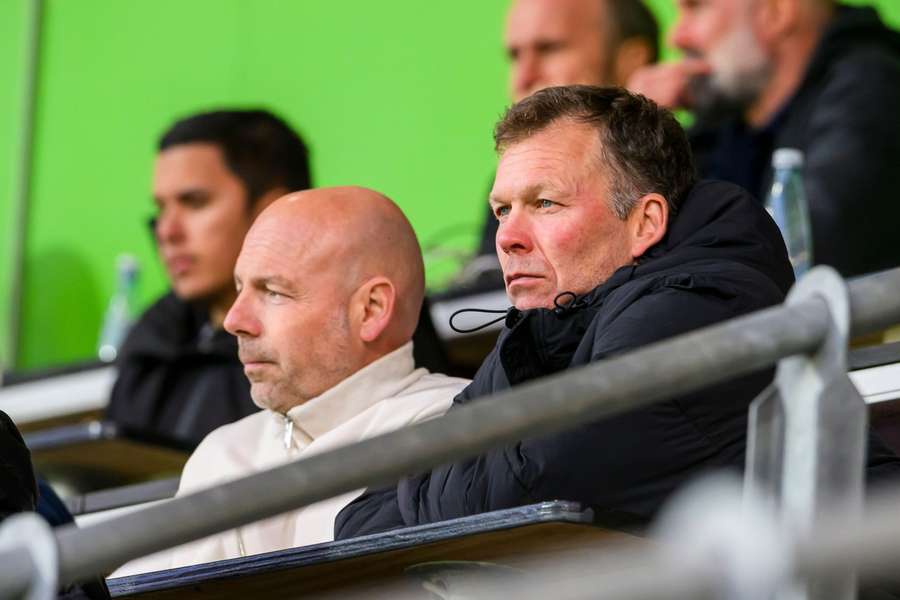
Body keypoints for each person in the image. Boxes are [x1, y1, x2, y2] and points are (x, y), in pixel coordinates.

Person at [335, 85, 900, 539]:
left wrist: (425, 486)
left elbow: (538, 484)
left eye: (544, 203)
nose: (507, 237)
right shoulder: (541, 329)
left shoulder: (698, 305)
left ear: (645, 223)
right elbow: (358, 520)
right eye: (503, 210)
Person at [113, 187, 469, 575]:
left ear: (371, 309)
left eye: (273, 292)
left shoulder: (463, 433)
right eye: (239, 288)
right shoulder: (222, 452)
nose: (234, 321)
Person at [627, 0, 900, 277]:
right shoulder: (728, 120)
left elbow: (794, 253)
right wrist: (635, 142)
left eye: (696, 7)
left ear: (776, 12)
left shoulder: (874, 92)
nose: (676, 37)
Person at [105, 110, 312, 449]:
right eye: (161, 209)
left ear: (272, 211)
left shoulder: (334, 339)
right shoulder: (151, 344)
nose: (166, 231)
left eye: (194, 203)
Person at [474, 0, 660, 262]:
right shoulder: (511, 186)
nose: (524, 77)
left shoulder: (699, 180)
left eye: (549, 49)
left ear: (631, 60)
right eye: (515, 56)